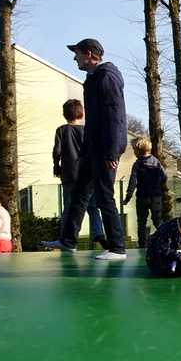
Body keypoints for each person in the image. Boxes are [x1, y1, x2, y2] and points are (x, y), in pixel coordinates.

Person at [42, 39, 128, 260]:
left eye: (77, 53)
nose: (74, 58)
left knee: (104, 196)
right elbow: (92, 120)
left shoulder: (107, 77)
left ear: (88, 54)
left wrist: (111, 152)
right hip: (93, 149)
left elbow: (114, 116)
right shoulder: (93, 79)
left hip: (104, 149)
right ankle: (68, 240)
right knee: (80, 194)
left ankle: (117, 248)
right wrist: (85, 150)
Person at [53, 98, 105, 249]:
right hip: (89, 174)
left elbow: (57, 151)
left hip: (70, 174)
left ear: (64, 115)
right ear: (82, 115)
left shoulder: (62, 130)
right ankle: (98, 233)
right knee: (92, 206)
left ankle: (65, 238)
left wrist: (56, 166)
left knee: (69, 208)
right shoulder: (87, 130)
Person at [123, 135, 169, 246]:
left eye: (134, 149)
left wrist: (128, 197)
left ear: (138, 150)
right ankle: (165, 241)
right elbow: (165, 177)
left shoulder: (137, 164)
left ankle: (142, 244)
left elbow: (132, 183)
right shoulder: (156, 162)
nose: (133, 151)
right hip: (156, 196)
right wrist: (158, 185)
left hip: (142, 197)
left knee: (142, 222)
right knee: (157, 220)